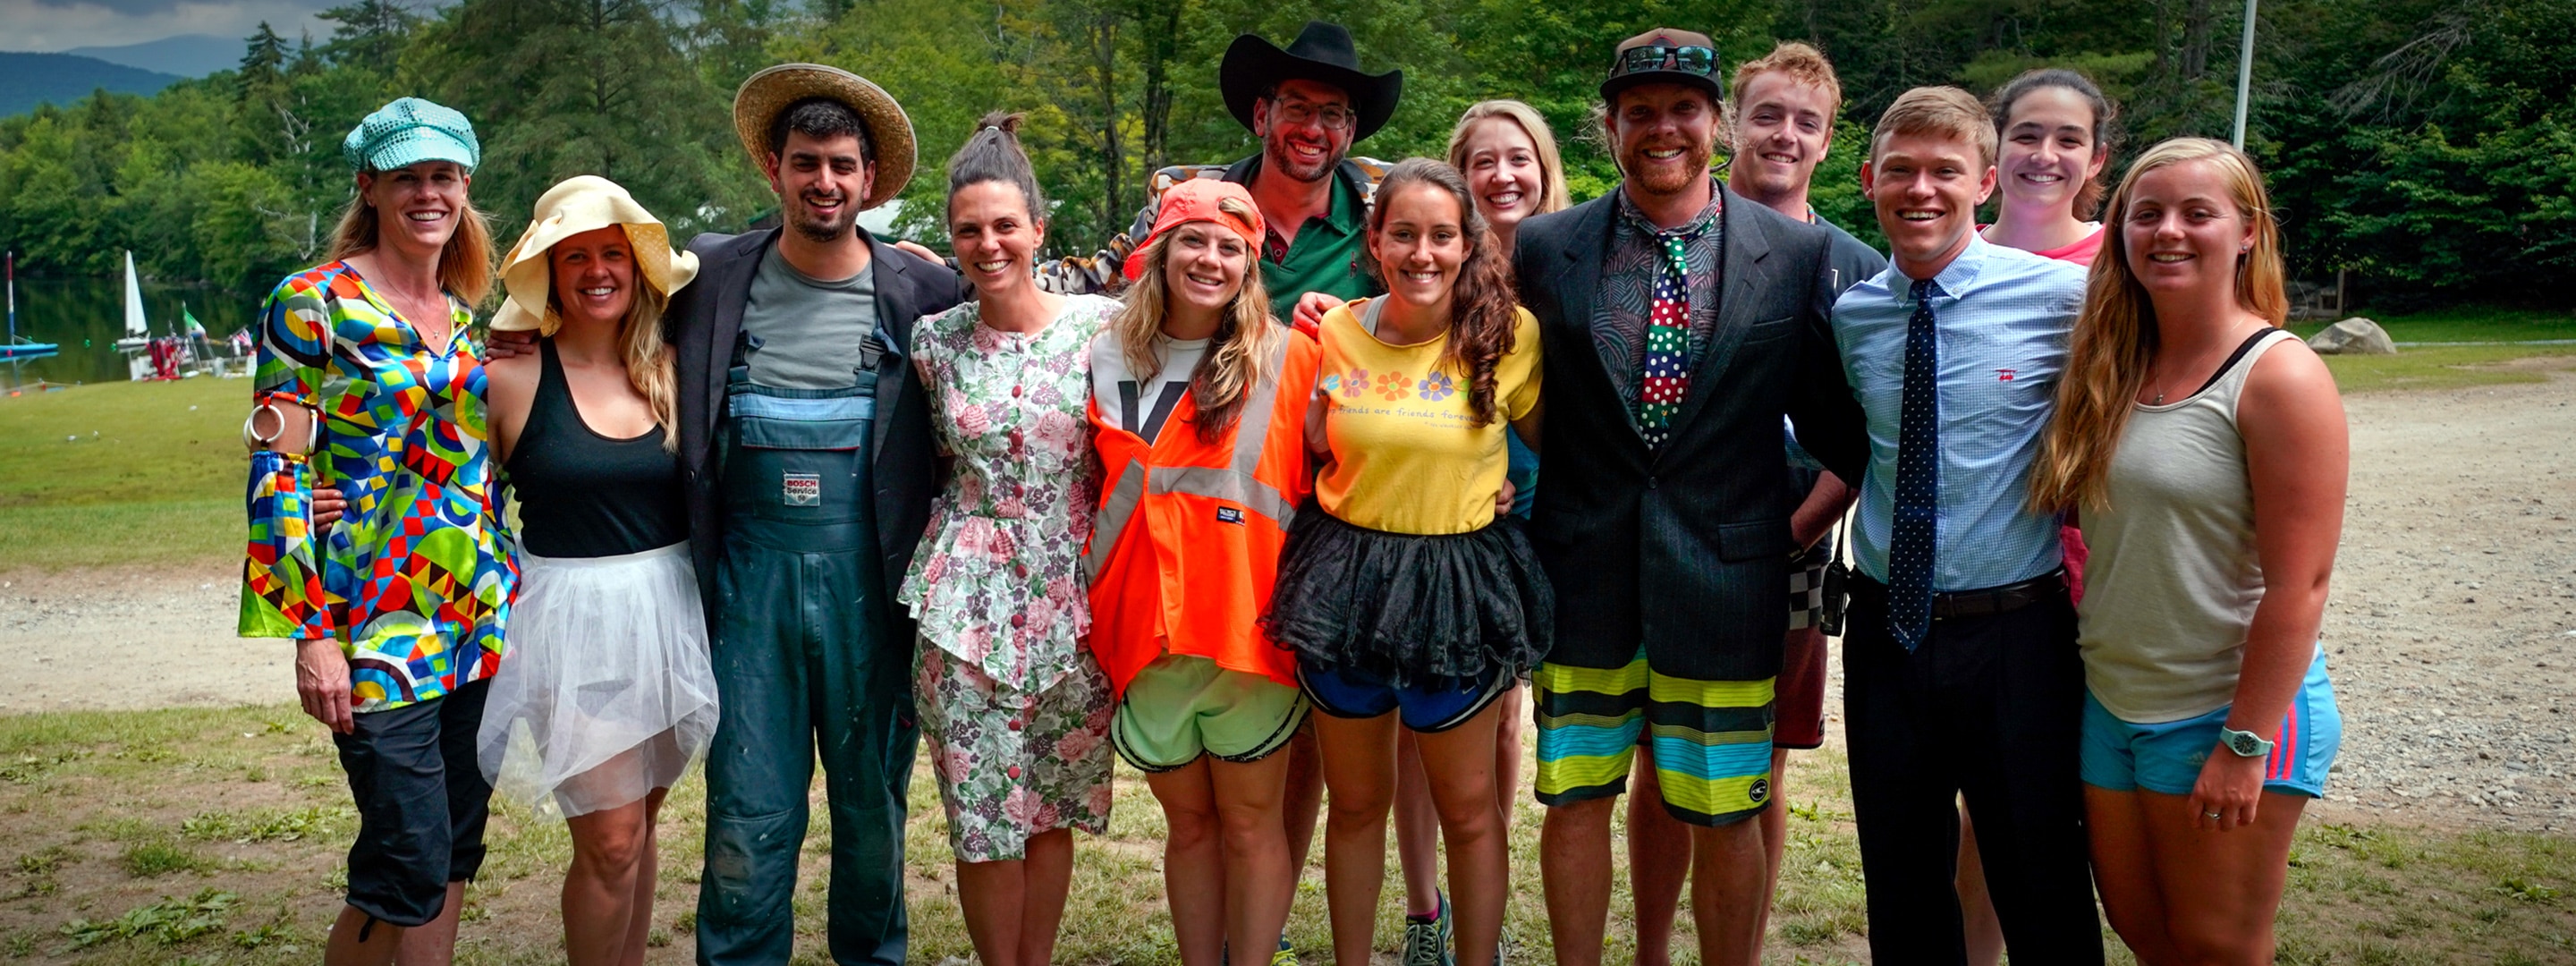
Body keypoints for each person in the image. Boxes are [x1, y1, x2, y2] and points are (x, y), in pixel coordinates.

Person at [1515, 30, 1867, 966]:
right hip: (1584, 573)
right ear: (1610, 126)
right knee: (1578, 794)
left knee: (1723, 805)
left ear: (1715, 123)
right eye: (1640, 113)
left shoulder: (1792, 257)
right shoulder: (1545, 249)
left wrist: (1786, 534)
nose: (1661, 128)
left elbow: (1846, 433)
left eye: (1682, 110)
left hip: (1726, 584)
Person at [2029, 137, 2347, 965]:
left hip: (2225, 711)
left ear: (2247, 231)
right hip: (2115, 703)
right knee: (2149, 936)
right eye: (2148, 213)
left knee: (2217, 944)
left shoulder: (2279, 377)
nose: (2168, 231)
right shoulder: (2111, 363)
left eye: (2197, 213)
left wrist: (2244, 745)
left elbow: (2301, 588)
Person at [675, 64, 964, 965]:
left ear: (869, 180)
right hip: (747, 582)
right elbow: (594, 308)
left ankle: (871, 955)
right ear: (774, 168)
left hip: (873, 583)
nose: (825, 182)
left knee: (873, 804)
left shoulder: (925, 294)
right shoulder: (709, 278)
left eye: (843, 164)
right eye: (807, 162)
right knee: (747, 806)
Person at [1617, 41, 1887, 966]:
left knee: (1751, 767)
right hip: (1668, 538)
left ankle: (1739, 949)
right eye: (1768, 114)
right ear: (1732, 121)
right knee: (1660, 755)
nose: (1784, 135)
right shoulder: (1661, 238)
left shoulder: (1848, 265)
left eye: (1805, 123)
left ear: (1826, 141)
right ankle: (1653, 949)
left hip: (1787, 545)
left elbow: (1864, 431)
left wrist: (1792, 534)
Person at [1830, 86, 2102, 964]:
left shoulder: (2065, 298)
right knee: (1902, 881)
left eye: (1945, 171)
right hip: (1885, 633)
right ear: (1869, 179)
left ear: (1984, 182)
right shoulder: (1856, 315)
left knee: (2041, 877)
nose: (1921, 190)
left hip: (2015, 632)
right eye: (1900, 170)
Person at [240, 96, 513, 966]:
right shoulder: (311, 305)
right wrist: (310, 634)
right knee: (407, 860)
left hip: (477, 620)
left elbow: (484, 462)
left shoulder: (470, 315)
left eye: (444, 177)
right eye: (408, 178)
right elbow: (277, 469)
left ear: (466, 186)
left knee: (455, 849)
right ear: (370, 186)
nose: (428, 194)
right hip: (374, 631)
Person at [1267, 157, 1548, 966]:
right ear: (1375, 240)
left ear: (1468, 244)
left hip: (1457, 584)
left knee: (1467, 811)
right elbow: (1307, 445)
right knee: (1355, 808)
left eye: (1440, 236)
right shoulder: (1335, 331)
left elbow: (1558, 458)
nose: (1422, 253)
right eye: (1404, 234)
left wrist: (1499, 492)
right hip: (1345, 581)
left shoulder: (1508, 337)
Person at [476, 175, 719, 966]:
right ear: (546, 269)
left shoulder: (678, 370)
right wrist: (318, 490)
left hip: (672, 611)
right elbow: (422, 481)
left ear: (639, 265)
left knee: (642, 826)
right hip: (573, 620)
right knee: (610, 841)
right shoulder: (506, 379)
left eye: (612, 253)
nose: (596, 271)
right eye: (573, 255)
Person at [1083, 177, 1319, 966]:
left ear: (1250, 266)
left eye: (1230, 247)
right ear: (1161, 249)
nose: (1209, 259)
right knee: (1189, 827)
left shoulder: (1295, 358)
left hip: (1247, 631)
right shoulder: (1105, 349)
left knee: (1252, 825)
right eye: (1194, 240)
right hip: (1143, 630)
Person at [901, 113, 1118, 966]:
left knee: (1050, 802)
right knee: (985, 815)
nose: (988, 244)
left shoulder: (1104, 331)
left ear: (1037, 228)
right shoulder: (932, 344)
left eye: (1003, 226)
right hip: (965, 605)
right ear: (951, 239)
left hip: (1075, 596)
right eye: (968, 230)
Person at [1033, 20, 1402, 329]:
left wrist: (1360, 324)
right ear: (1261, 116)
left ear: (1350, 132)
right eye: (1296, 107)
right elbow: (1103, 279)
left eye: (1332, 114)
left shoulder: (1384, 207)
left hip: (1336, 405)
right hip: (1209, 402)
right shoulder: (1189, 198)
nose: (1313, 129)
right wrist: (1003, 270)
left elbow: (1434, 298)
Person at [1980, 68, 2115, 266]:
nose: (2044, 156)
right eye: (2027, 137)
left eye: (2068, 140)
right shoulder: (1947, 257)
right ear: (1996, 148)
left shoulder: (2121, 257)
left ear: (2095, 160)